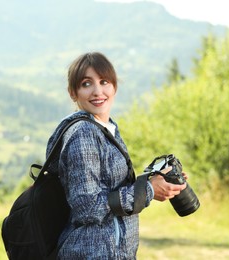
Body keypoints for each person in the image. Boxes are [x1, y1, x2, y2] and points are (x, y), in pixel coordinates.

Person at [45, 52, 187, 259]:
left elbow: (111, 188)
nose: (97, 91)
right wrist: (148, 190)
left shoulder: (105, 127)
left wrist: (157, 180)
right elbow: (87, 206)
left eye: (104, 82)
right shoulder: (83, 133)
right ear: (72, 93)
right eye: (86, 84)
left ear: (114, 87)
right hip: (92, 253)